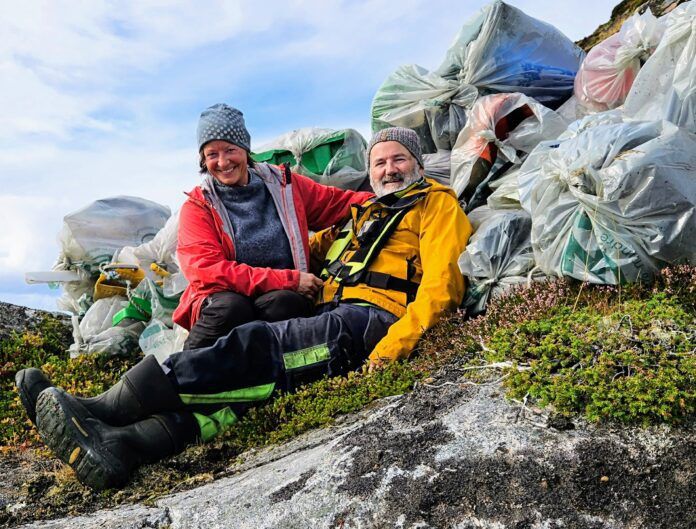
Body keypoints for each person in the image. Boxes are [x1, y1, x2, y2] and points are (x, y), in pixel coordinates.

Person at [16, 127, 473, 491]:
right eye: (380, 162)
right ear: (369, 171)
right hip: (330, 316)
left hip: (368, 323)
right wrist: (306, 257)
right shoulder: (364, 216)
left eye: (399, 160)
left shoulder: (435, 206)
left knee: (255, 346)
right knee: (246, 391)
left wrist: (394, 347)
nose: (389, 170)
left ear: (417, 164)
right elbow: (319, 247)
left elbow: (442, 285)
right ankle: (124, 446)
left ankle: (106, 408)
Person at [175, 103, 372, 349]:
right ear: (203, 160)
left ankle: (274, 375)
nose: (223, 162)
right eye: (212, 154)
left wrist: (388, 198)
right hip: (226, 298)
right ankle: (182, 372)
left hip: (279, 296)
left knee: (286, 303)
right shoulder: (199, 206)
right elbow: (208, 270)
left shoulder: (284, 186)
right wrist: (287, 279)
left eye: (230, 150)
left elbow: (336, 204)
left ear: (245, 150)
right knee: (231, 308)